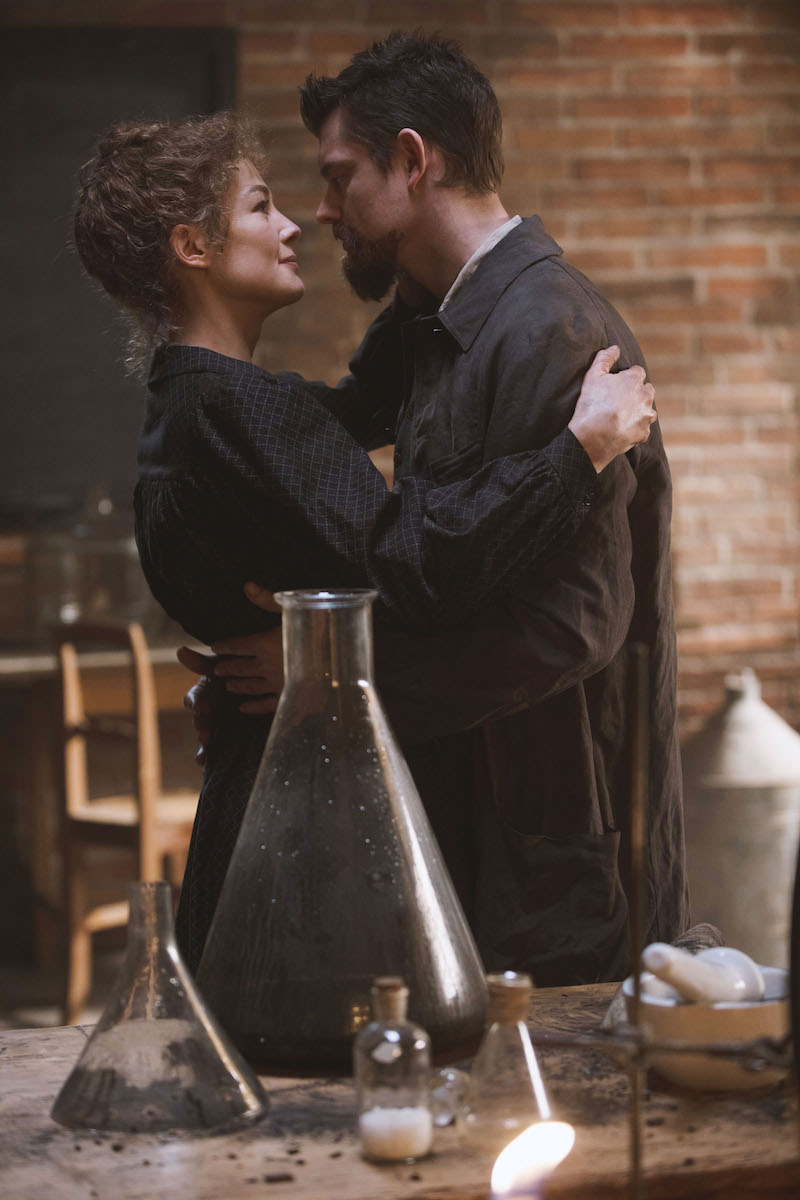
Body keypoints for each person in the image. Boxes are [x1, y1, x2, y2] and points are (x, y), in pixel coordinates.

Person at [72, 111, 656, 971]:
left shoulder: (197, 402)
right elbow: (420, 564)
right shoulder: (242, 413)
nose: (294, 224)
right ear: (193, 247)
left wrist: (421, 265)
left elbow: (353, 409)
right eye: (261, 206)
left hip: (273, 799)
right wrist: (579, 454)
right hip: (302, 825)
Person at [199, 30, 689, 986]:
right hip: (466, 819)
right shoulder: (435, 317)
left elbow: (570, 627)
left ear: (414, 161)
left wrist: (336, 675)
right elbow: (358, 477)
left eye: (341, 177)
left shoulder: (550, 331)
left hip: (544, 847)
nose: (323, 207)